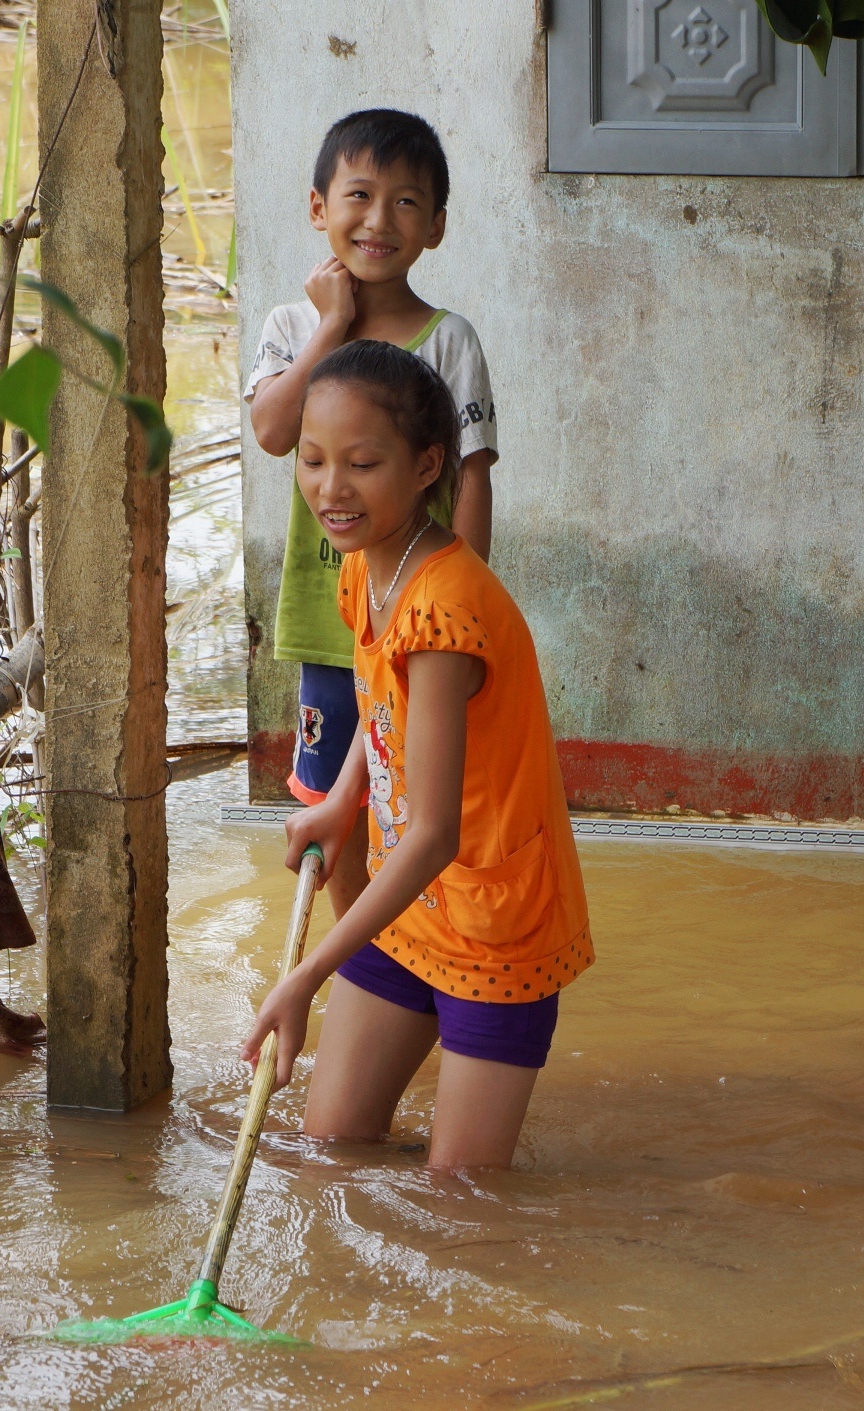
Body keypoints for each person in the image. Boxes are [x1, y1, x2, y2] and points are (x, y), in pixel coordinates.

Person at [241, 341, 590, 1170]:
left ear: (428, 463)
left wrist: (307, 975)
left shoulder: (447, 609)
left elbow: (433, 832)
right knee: (330, 1147)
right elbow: (382, 707)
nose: (332, 488)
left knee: (458, 1206)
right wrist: (343, 797)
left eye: (362, 463)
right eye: (314, 460)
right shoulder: (369, 568)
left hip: (495, 923)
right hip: (414, 907)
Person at [245, 108, 497, 918]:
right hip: (330, 625)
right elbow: (275, 430)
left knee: (419, 799)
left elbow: (472, 480)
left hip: (421, 625)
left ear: (438, 226)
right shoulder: (294, 327)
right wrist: (332, 325)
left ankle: (424, 958)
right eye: (359, 195)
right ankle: (363, 974)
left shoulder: (450, 341)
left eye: (407, 203)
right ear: (319, 207)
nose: (379, 220)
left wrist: (464, 605)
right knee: (334, 813)